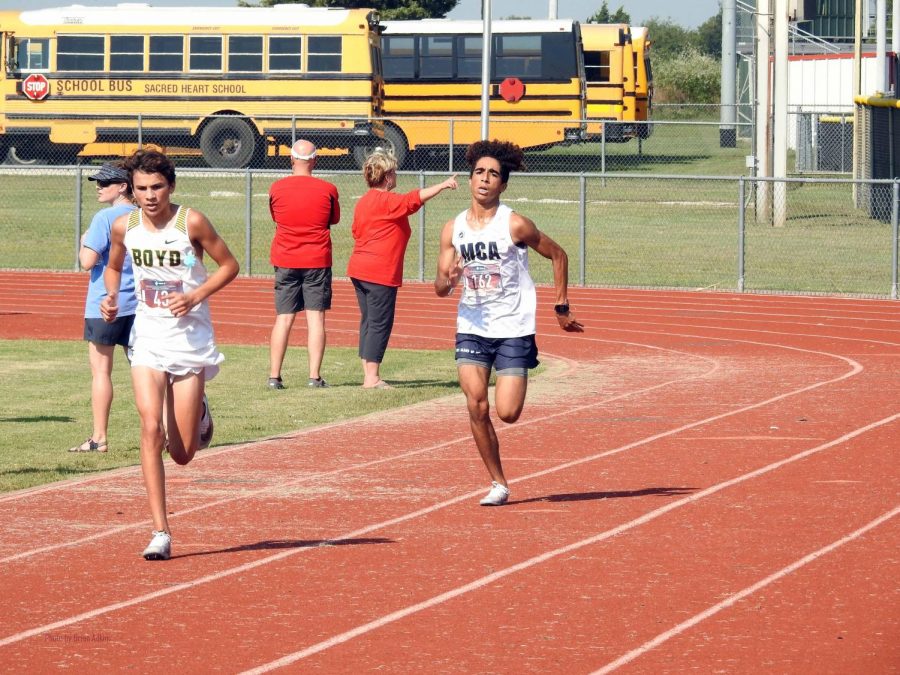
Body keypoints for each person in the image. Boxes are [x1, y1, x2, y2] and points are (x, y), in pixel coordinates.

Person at [100, 150, 239, 560]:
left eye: (157, 187)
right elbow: (112, 266)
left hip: (189, 340)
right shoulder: (124, 226)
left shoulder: (190, 221)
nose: (149, 196)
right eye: (141, 188)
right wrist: (110, 297)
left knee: (182, 454)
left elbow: (229, 265)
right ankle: (160, 531)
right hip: (148, 337)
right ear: (132, 190)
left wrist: (195, 294)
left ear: (171, 186)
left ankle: (199, 412)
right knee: (149, 429)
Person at [434, 140, 584, 506]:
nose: (485, 180)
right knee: (476, 405)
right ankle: (498, 482)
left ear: (503, 184)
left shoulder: (514, 224)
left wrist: (561, 305)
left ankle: (512, 388)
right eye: (479, 173)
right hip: (472, 324)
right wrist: (448, 279)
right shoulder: (452, 229)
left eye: (493, 175)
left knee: (508, 413)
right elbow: (440, 288)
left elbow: (558, 254)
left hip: (513, 326)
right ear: (469, 180)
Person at [348, 149, 457, 388]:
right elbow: (413, 199)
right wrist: (443, 185)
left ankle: (369, 373)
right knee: (379, 323)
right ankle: (372, 378)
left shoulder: (364, 201)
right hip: (379, 272)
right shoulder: (387, 201)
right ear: (387, 176)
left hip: (359, 269)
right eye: (394, 172)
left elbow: (356, 231)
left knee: (368, 321)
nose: (396, 175)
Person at [69, 162, 137, 454]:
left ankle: (99, 437)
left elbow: (87, 261)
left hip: (105, 302)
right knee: (146, 371)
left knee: (100, 371)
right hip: (139, 303)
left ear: (123, 186)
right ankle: (164, 431)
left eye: (105, 182)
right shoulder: (144, 215)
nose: (98, 186)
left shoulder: (104, 217)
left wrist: (84, 242)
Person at [267, 139, 340, 389]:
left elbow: (275, 217)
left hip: (285, 258)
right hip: (316, 259)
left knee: (283, 318)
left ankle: (274, 376)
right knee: (315, 319)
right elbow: (334, 219)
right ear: (315, 161)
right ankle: (313, 376)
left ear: (291, 160)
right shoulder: (328, 189)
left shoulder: (276, 188)